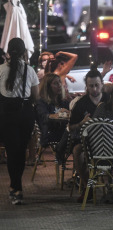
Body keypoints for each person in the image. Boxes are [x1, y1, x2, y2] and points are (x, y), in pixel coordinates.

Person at [0, 38, 39, 205]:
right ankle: (17, 187)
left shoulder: (1, 69)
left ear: (8, 52)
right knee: (21, 150)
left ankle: (15, 187)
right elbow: (36, 96)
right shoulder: (30, 71)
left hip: (6, 114)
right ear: (24, 53)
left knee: (11, 151)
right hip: (25, 113)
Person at [68, 68, 109, 202]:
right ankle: (88, 186)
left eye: (97, 85)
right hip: (87, 141)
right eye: (91, 86)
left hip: (109, 140)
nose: (95, 89)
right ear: (87, 86)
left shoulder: (110, 101)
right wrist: (81, 123)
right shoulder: (81, 103)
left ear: (102, 84)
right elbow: (70, 127)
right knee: (76, 151)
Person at [35, 73, 70, 148]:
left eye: (60, 82)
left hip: (64, 132)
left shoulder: (64, 102)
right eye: (55, 83)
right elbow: (44, 117)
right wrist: (59, 114)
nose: (60, 85)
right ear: (47, 87)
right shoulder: (41, 102)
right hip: (49, 133)